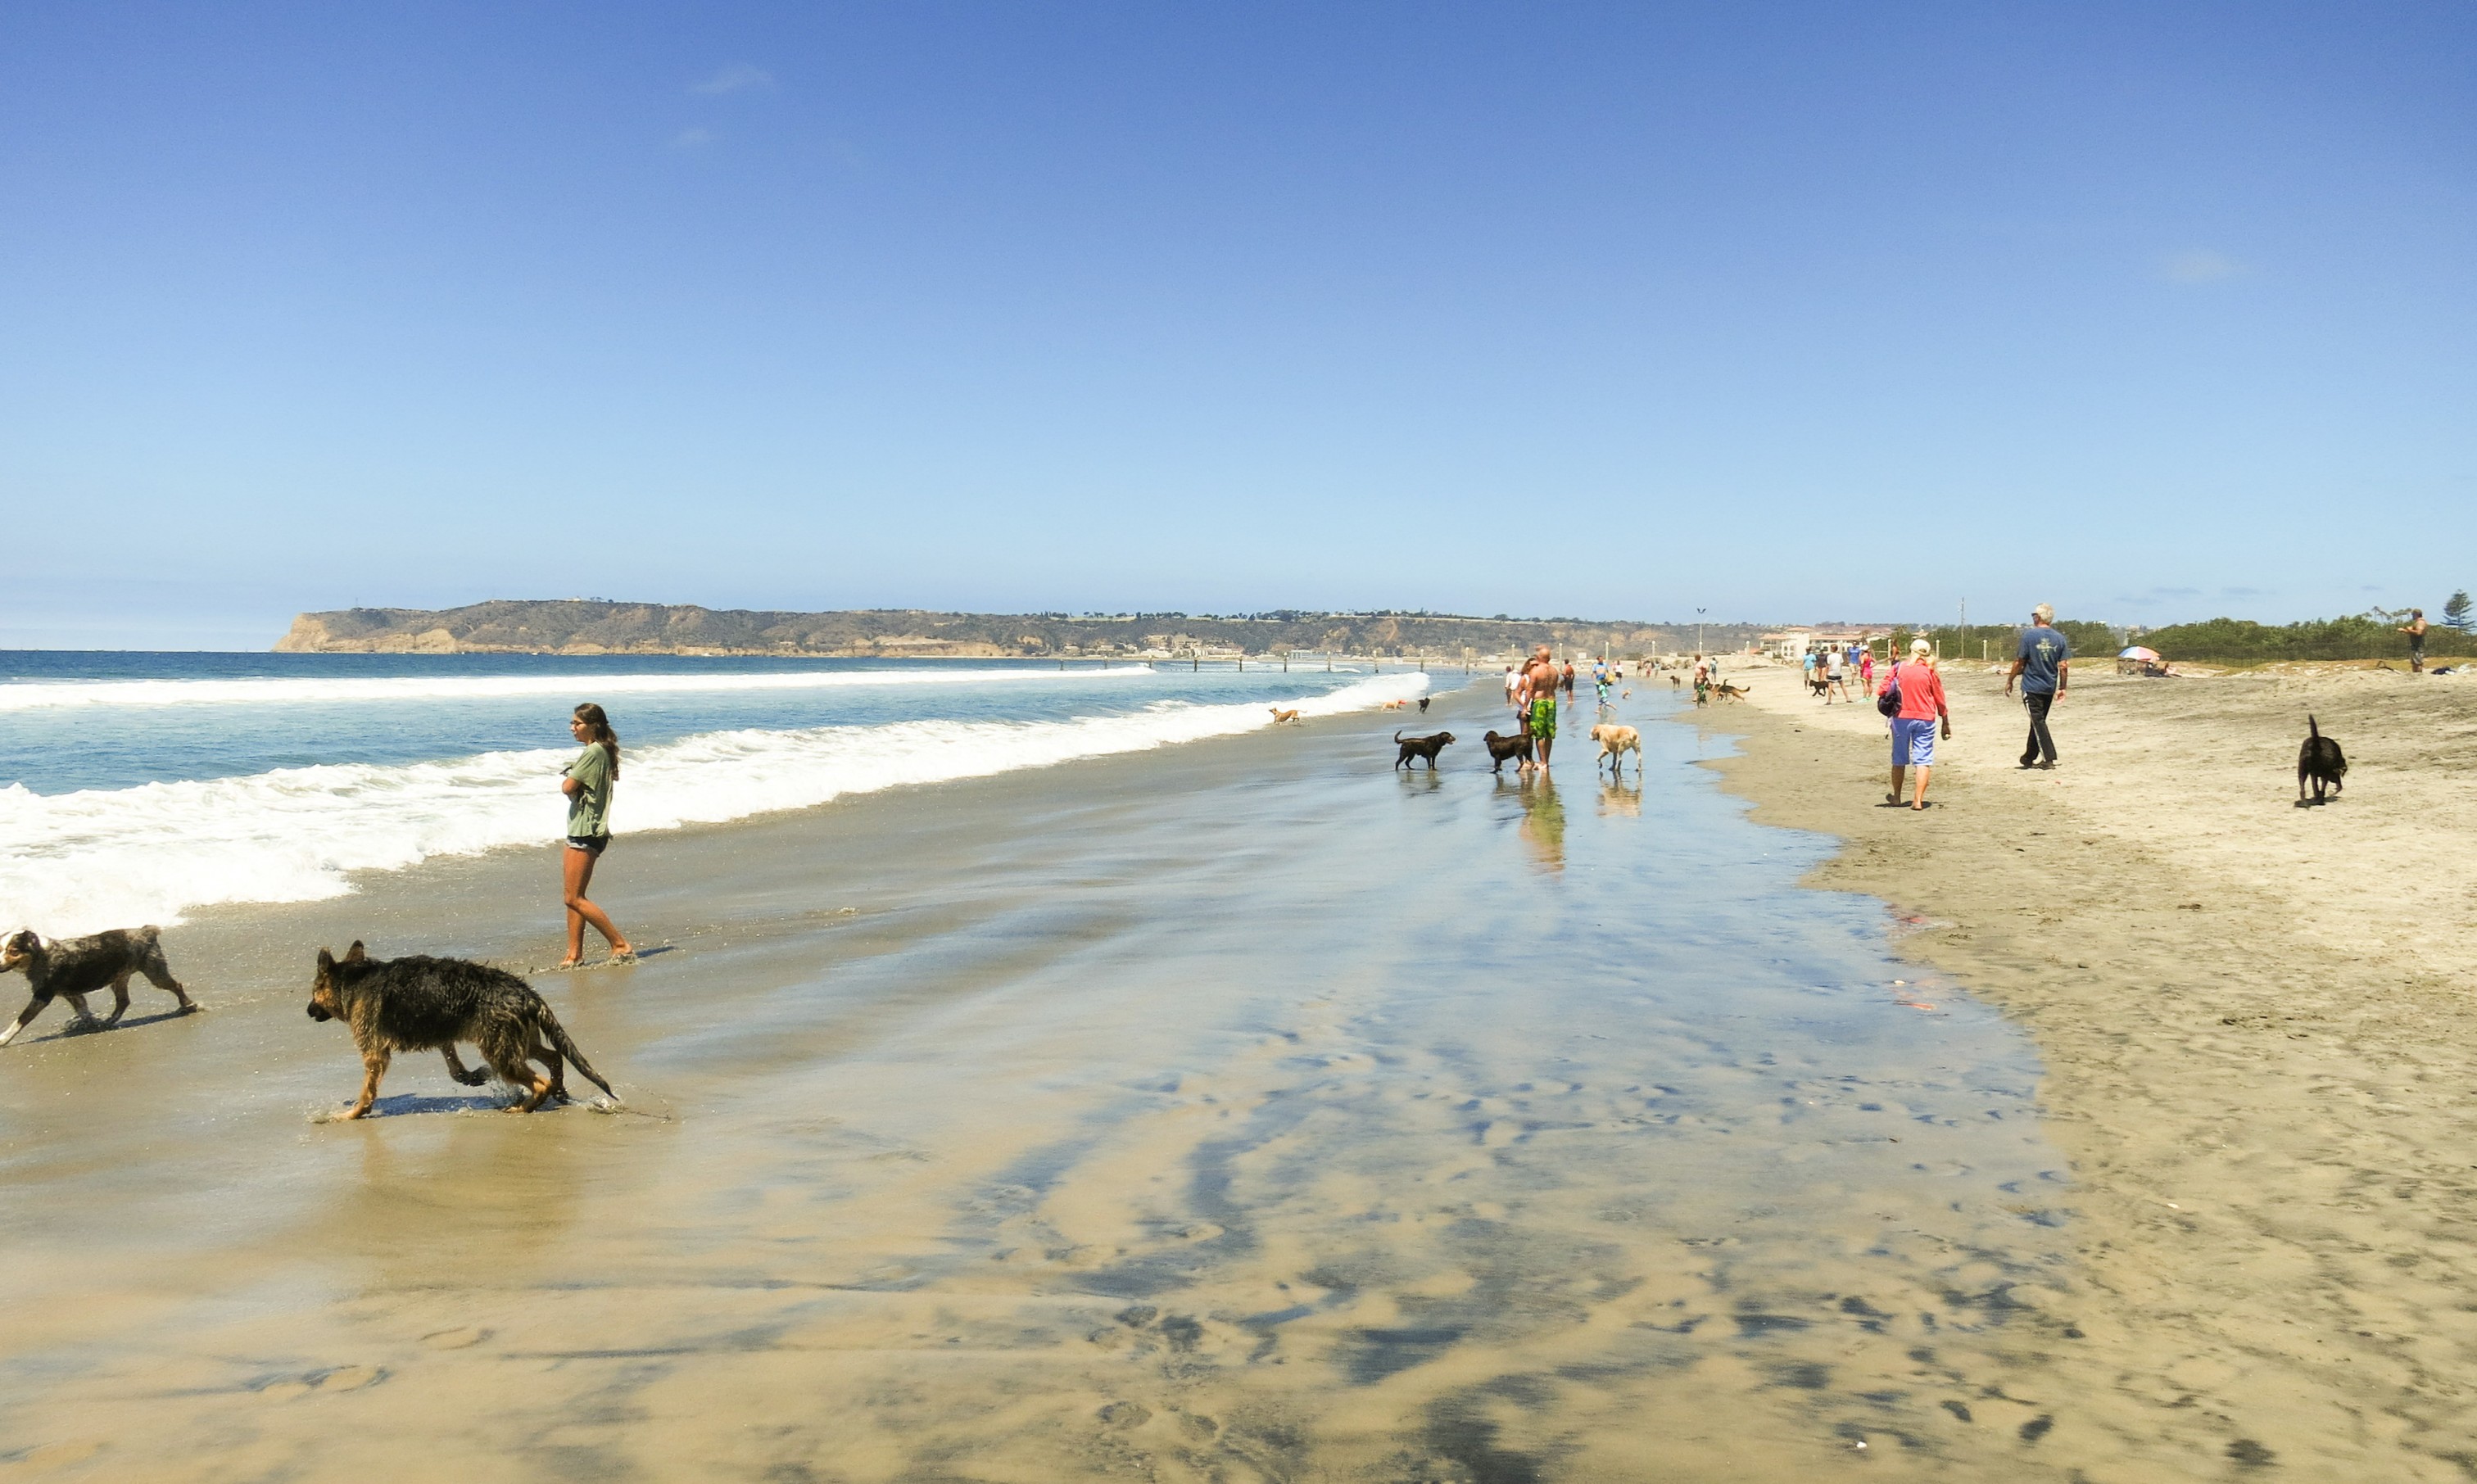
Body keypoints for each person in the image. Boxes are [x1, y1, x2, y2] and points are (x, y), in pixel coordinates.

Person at [559, 703, 635, 968]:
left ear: (593, 725)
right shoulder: (600, 751)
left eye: (577, 724)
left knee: (574, 898)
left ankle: (620, 944)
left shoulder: (593, 751)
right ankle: (574, 954)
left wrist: (569, 785)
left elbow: (568, 786)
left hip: (587, 830)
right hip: (582, 829)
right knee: (573, 896)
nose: (572, 729)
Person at [1881, 639, 1951, 810]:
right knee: (1923, 759)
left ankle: (1897, 797)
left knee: (1899, 759)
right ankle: (1918, 800)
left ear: (1911, 651)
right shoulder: (1930, 671)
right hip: (1926, 718)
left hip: (1901, 717)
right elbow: (1940, 699)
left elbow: (1882, 689)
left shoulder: (1898, 668)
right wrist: (1945, 721)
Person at [2006, 604, 2071, 769]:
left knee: (2038, 721)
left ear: (2039, 617)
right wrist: (2063, 687)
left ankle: (2048, 757)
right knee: (2037, 721)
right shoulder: (2060, 638)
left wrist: (2010, 679)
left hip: (2032, 686)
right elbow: (2063, 665)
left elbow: (2020, 661)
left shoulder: (2029, 637)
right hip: (2049, 686)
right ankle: (2029, 757)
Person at [1519, 645, 1561, 768]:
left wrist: (1525, 706)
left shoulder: (1536, 671)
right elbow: (1554, 687)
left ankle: (1542, 762)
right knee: (1549, 733)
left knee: (1538, 733)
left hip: (1540, 702)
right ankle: (1546, 761)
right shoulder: (1554, 671)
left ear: (1539, 658)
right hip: (1552, 702)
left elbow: (1530, 691)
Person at [2401, 609, 2429, 673]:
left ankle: (2418, 675)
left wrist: (2409, 630)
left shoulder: (2421, 622)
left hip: (2418, 646)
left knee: (2418, 663)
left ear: (2416, 614)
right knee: (2414, 663)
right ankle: (2415, 675)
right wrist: (2405, 630)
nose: (2412, 616)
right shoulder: (2417, 622)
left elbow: (2419, 632)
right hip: (2415, 646)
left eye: (2413, 615)